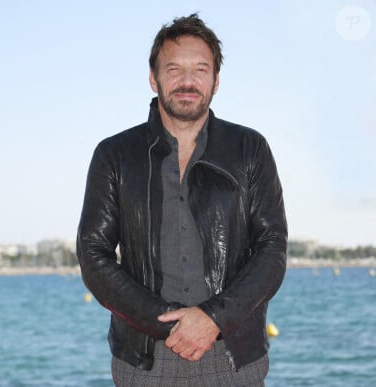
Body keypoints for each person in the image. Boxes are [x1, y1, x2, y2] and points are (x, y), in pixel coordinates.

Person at [76, 14, 287, 386]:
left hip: (233, 353)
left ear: (216, 81)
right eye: (174, 69)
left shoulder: (250, 149)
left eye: (200, 69)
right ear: (153, 78)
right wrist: (166, 321)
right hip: (144, 358)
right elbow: (93, 254)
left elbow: (272, 249)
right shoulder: (114, 154)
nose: (187, 81)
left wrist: (212, 319)